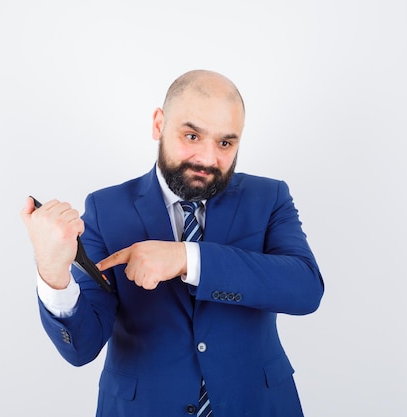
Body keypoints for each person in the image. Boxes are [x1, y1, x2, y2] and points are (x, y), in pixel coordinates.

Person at [20, 69, 324, 417]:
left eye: (226, 143)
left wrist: (188, 258)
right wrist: (52, 272)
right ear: (158, 124)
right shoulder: (106, 209)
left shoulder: (269, 197)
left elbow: (305, 289)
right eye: (192, 135)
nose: (208, 159)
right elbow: (81, 348)